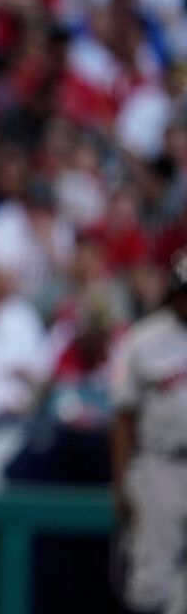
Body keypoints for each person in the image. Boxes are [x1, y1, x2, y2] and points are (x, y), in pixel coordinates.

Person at [111, 249, 187, 614]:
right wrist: (121, 480)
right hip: (161, 464)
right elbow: (123, 417)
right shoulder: (143, 340)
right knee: (150, 581)